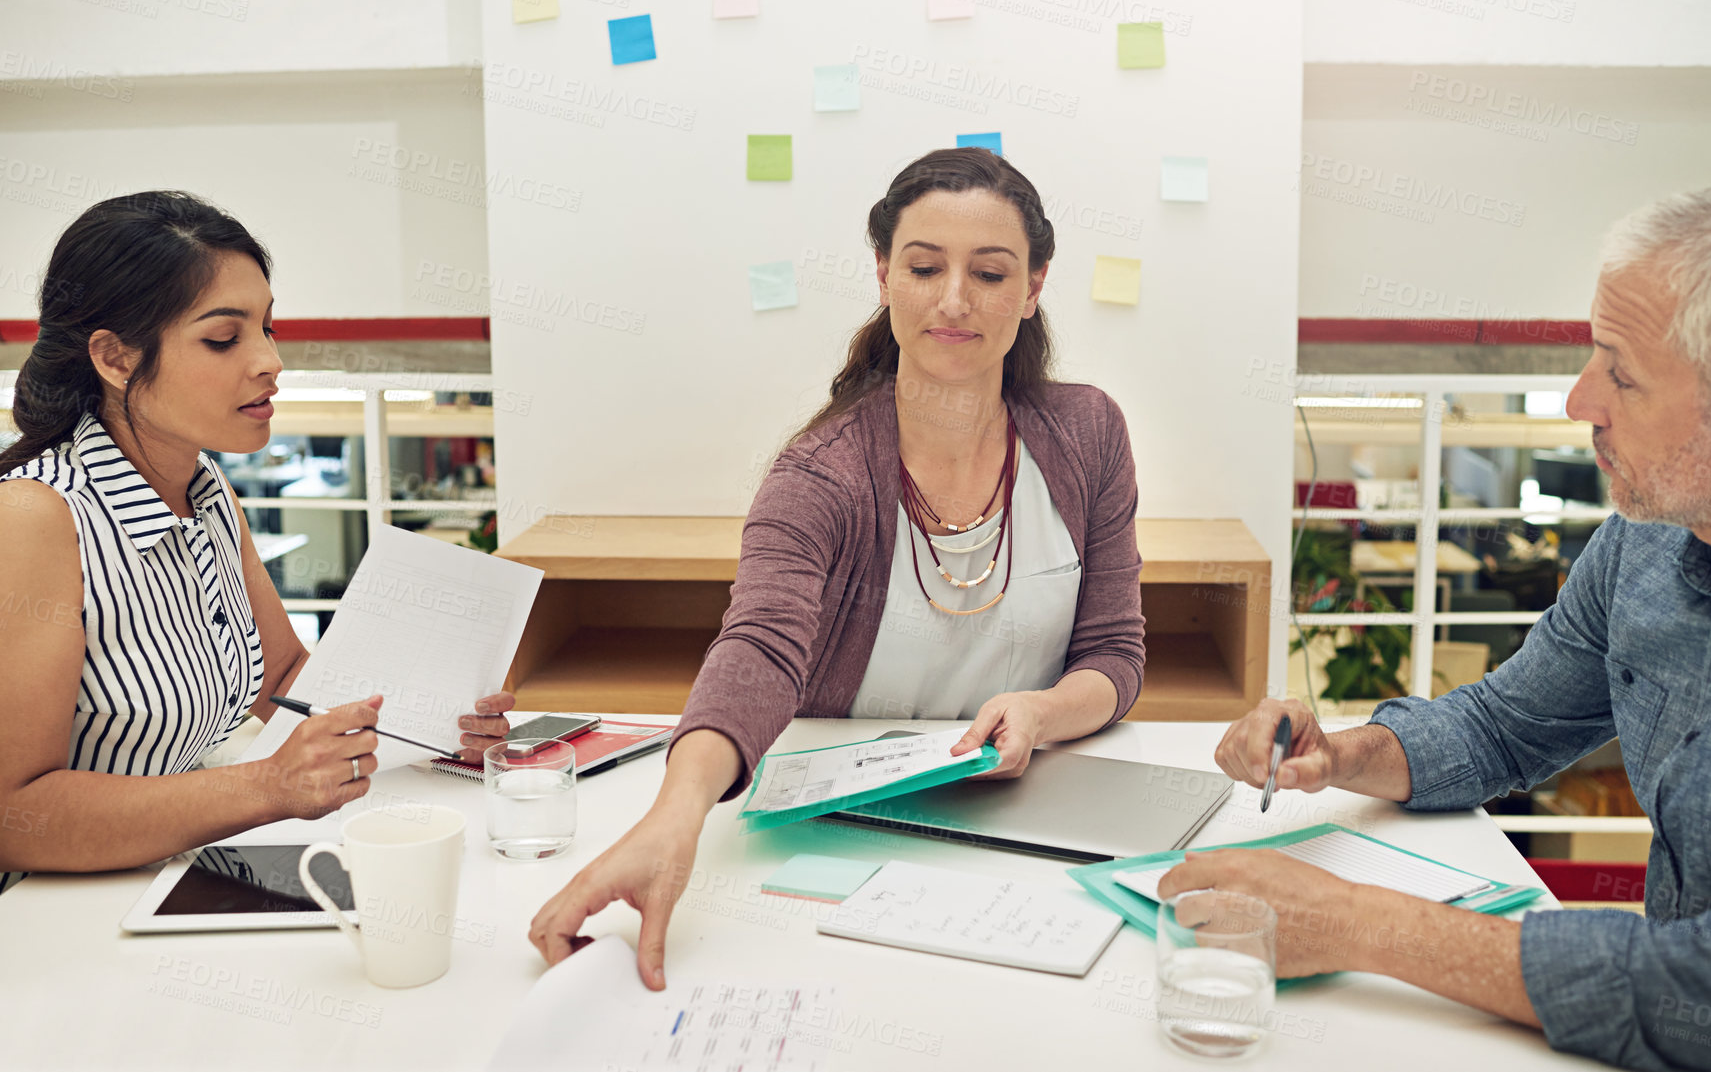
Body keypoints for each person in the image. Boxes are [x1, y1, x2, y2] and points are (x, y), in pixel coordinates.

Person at [529, 147, 1147, 985]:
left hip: (1032, 835)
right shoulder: (821, 473)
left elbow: (1116, 654)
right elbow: (758, 650)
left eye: (990, 274)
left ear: (1034, 287)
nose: (954, 300)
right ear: (886, 275)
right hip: (840, 847)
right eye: (925, 267)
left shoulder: (1088, 435)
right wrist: (674, 818)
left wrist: (1041, 712)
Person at [1177, 183, 1711, 1072]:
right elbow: (1504, 724)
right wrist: (1345, 753)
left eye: (1621, 373)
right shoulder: (1640, 549)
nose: (1577, 401)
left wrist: (1358, 924)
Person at [0, 191, 514, 897]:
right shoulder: (35, 516)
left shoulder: (206, 487)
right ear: (115, 358)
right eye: (223, 338)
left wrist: (435, 728)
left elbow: (285, 682)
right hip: (50, 916)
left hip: (156, 880)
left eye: (268, 328)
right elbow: (16, 814)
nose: (270, 360)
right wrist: (269, 783)